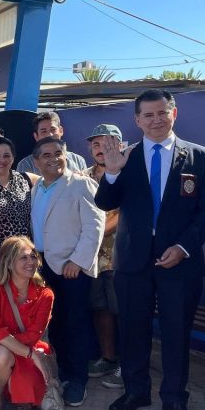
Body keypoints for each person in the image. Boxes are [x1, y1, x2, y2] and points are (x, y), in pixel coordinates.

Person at [96, 89, 205, 410]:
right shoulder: (126, 157)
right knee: (133, 329)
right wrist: (112, 173)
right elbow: (105, 203)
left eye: (162, 113)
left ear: (174, 114)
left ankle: (175, 399)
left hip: (180, 262)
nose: (155, 120)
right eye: (147, 115)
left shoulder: (200, 157)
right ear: (137, 120)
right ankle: (136, 391)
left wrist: (182, 248)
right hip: (133, 261)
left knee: (176, 332)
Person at [31, 137, 104, 407]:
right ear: (36, 162)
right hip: (46, 269)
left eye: (58, 153)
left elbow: (94, 226)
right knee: (57, 325)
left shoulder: (81, 183)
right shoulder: (39, 187)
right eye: (46, 155)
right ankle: (62, 373)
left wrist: (79, 260)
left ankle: (78, 380)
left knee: (76, 324)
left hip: (73, 269)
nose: (54, 159)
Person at [0, 236, 54, 410]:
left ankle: (13, 387)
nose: (31, 262)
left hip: (28, 347)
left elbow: (32, 336)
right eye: (23, 258)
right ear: (9, 263)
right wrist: (28, 353)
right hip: (13, 351)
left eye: (33, 257)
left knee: (28, 402)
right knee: (0, 354)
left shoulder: (45, 294)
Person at [83, 125, 123, 388]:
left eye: (107, 143)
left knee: (125, 312)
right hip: (92, 260)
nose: (101, 149)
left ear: (119, 145)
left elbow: (123, 214)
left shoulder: (129, 171)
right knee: (100, 310)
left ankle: (127, 364)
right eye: (96, 144)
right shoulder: (81, 176)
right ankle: (108, 359)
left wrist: (92, 239)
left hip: (122, 258)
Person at [0, 137, 33, 260]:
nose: (1, 160)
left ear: (13, 157)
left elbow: (49, 180)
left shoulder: (24, 179)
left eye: (6, 155)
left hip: (25, 255)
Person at [17, 111, 87, 175]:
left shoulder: (78, 160)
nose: (49, 135)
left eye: (53, 130)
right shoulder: (26, 165)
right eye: (44, 131)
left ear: (61, 131)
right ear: (36, 136)